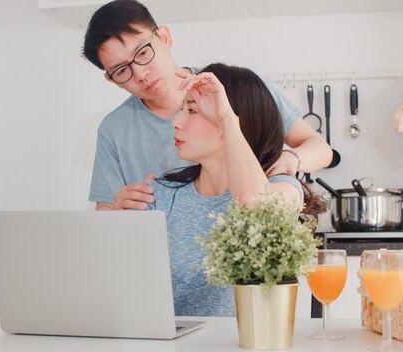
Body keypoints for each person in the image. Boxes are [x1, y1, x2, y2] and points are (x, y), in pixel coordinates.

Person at [82, 0, 332, 210]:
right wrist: (117, 210)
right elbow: (106, 219)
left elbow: (321, 149)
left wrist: (292, 159)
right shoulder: (114, 130)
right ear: (111, 79)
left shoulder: (232, 88)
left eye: (144, 53)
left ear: (164, 37)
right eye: (122, 70)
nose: (141, 74)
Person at [148, 62, 320, 316]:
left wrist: (228, 119)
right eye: (182, 109)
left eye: (192, 110)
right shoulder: (162, 194)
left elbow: (253, 205)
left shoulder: (282, 188)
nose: (177, 122)